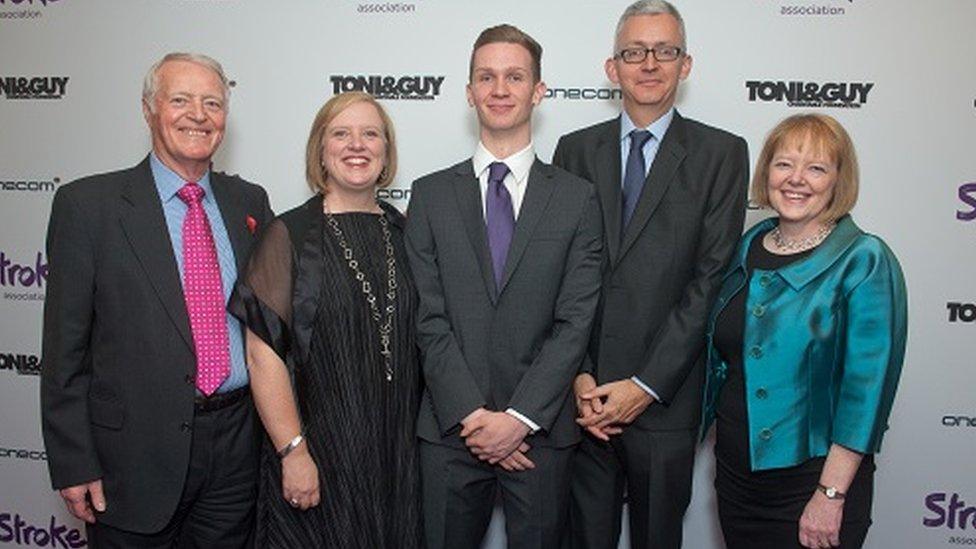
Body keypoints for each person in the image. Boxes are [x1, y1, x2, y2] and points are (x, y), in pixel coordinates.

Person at [40, 52, 273, 547]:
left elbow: (267, 327)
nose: (198, 114)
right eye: (181, 99)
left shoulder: (249, 203)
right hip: (132, 457)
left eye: (212, 102)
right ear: (148, 109)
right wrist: (73, 460)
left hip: (236, 451)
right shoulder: (88, 208)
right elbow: (65, 350)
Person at [551, 1, 748, 547]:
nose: (649, 64)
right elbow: (562, 276)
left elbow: (708, 280)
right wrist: (580, 377)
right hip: (583, 404)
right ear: (612, 67)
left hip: (666, 402)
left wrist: (644, 386)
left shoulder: (722, 154)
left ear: (686, 65)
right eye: (634, 52)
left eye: (665, 51)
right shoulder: (574, 151)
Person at [405, 24, 603, 549]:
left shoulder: (577, 199)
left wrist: (518, 419)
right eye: (486, 77)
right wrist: (475, 418)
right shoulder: (428, 197)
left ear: (538, 91)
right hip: (451, 431)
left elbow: (574, 323)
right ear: (469, 91)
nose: (499, 89)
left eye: (514, 77)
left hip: (541, 434)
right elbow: (429, 318)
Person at [701, 113, 907, 549]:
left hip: (811, 484)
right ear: (766, 172)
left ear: (838, 180)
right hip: (737, 478)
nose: (797, 180)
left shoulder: (864, 259)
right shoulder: (748, 245)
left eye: (816, 168)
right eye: (784, 164)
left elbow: (865, 394)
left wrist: (830, 496)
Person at [229, 91, 423, 548]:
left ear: (386, 150)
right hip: (320, 455)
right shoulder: (289, 234)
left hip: (398, 459)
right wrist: (293, 451)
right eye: (341, 133)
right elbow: (263, 357)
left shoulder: (407, 233)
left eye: (370, 134)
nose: (357, 145)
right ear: (321, 148)